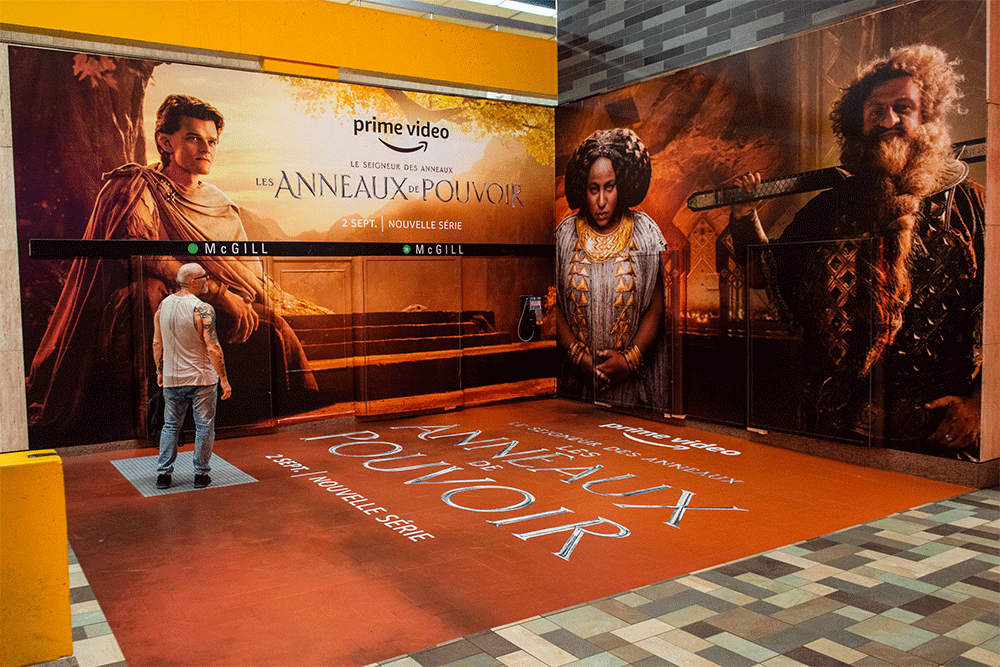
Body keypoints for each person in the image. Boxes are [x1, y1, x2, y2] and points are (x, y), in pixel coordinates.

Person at [727, 44, 985, 458]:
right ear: (857, 122)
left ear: (927, 118)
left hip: (937, 438)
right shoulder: (827, 209)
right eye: (876, 110)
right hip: (835, 431)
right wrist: (743, 219)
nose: (889, 120)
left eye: (904, 107)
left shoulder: (970, 207)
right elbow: (764, 275)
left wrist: (982, 404)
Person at [25, 94, 316, 445]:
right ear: (166, 141)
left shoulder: (221, 205)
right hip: (140, 308)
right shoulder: (137, 186)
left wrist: (236, 298)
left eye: (211, 141)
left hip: (207, 309)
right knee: (152, 296)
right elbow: (141, 251)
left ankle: (281, 419)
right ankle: (159, 419)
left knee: (270, 325)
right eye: (194, 138)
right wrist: (219, 294)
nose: (205, 148)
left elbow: (244, 271)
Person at [554, 128, 669, 410]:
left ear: (623, 185)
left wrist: (629, 362)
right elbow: (553, 306)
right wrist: (581, 360)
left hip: (632, 392)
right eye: (594, 189)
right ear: (584, 188)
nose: (602, 201)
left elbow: (656, 307)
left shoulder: (645, 232)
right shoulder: (564, 235)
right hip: (575, 392)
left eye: (610, 187)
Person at [153, 263, 231, 489]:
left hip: (172, 379)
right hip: (202, 380)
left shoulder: (163, 306)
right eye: (205, 277)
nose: (208, 280)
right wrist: (224, 380)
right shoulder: (202, 309)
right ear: (195, 281)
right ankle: (200, 475)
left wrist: (160, 370)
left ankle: (163, 475)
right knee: (204, 427)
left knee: (170, 426)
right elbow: (213, 347)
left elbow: (157, 342)